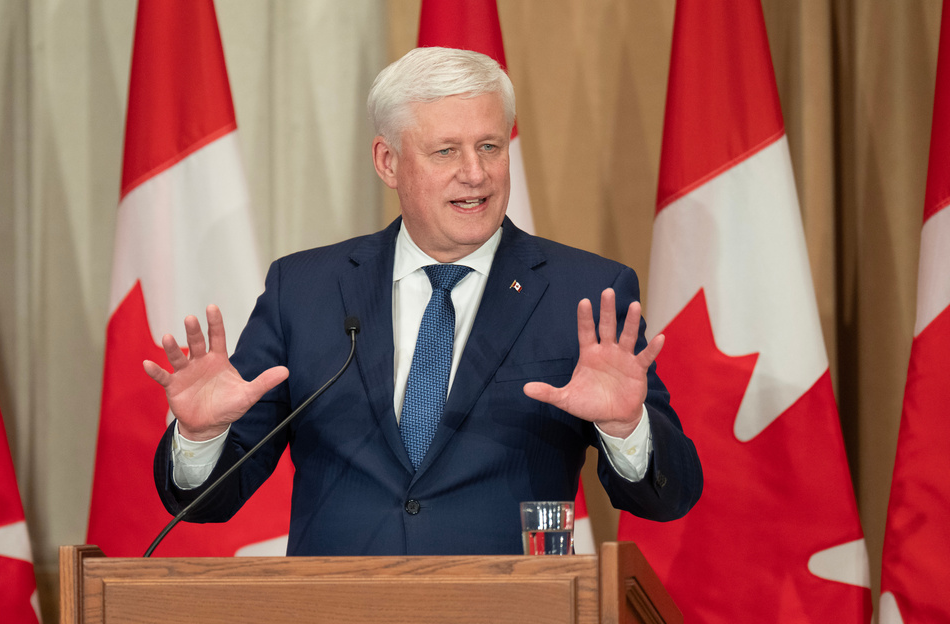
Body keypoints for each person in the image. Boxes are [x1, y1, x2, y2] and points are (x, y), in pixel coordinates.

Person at [146, 46, 702, 556]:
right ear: (388, 162)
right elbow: (208, 502)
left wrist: (627, 428)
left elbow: (667, 498)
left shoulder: (582, 291)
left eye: (490, 146)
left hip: (519, 608)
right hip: (339, 610)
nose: (475, 173)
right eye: (446, 151)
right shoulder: (305, 289)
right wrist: (201, 437)